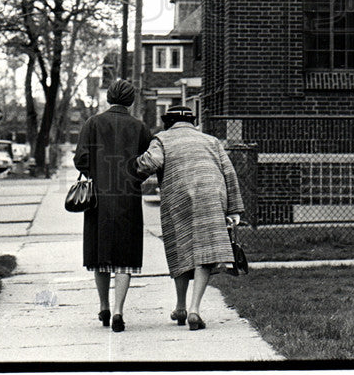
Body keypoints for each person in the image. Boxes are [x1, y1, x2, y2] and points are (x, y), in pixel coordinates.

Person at [134, 105, 243, 331]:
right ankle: (193, 309)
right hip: (212, 195)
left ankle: (181, 306)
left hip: (179, 196)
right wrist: (234, 209)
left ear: (168, 122)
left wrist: (131, 169)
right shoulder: (211, 140)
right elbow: (229, 172)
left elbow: (151, 162)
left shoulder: (162, 139)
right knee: (205, 252)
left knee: (180, 247)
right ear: (193, 122)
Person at [73, 79, 152, 332]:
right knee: (125, 257)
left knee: (100, 254)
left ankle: (104, 305)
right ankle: (119, 310)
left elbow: (81, 159)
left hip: (99, 197)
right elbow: (147, 161)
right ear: (131, 100)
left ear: (109, 97)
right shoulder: (139, 127)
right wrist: (134, 177)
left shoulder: (93, 123)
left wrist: (94, 171)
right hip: (128, 197)